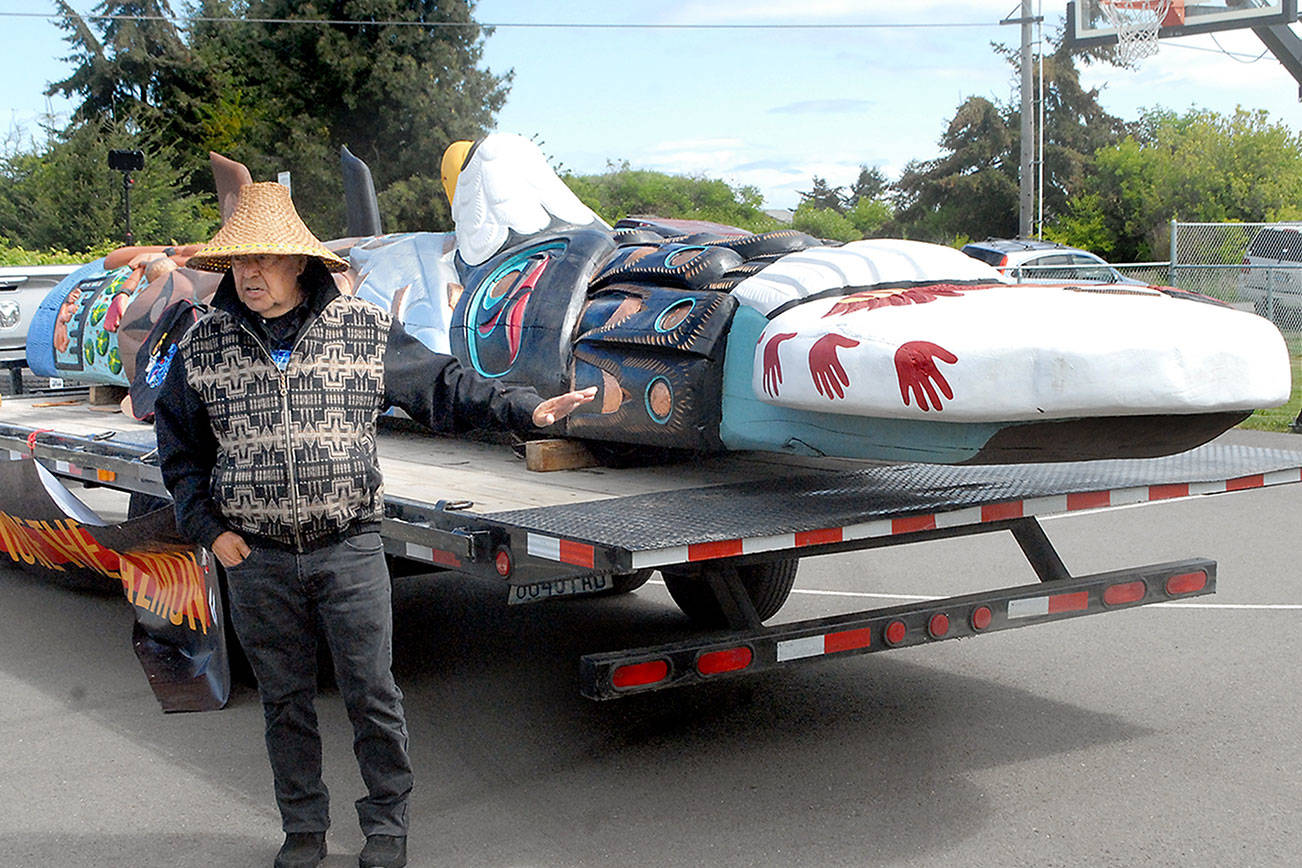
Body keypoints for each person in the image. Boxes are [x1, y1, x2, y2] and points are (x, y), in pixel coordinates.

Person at [153, 182, 594, 868]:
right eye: (239, 262)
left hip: (349, 548)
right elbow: (179, 450)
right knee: (285, 701)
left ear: (299, 263)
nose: (250, 275)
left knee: (373, 695)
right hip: (257, 559)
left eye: (264, 260)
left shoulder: (362, 329)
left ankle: (387, 826)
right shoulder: (204, 345)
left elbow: (444, 387)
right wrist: (211, 531)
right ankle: (303, 830)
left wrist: (524, 411)